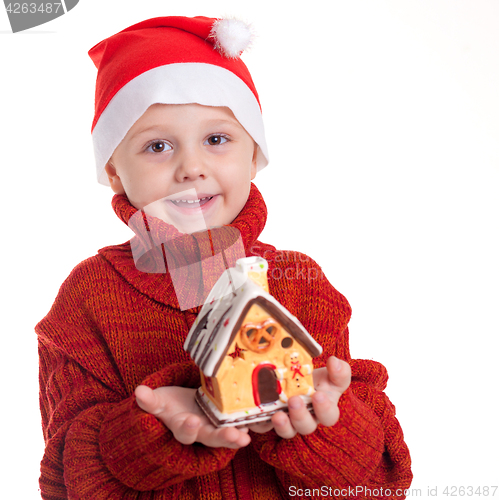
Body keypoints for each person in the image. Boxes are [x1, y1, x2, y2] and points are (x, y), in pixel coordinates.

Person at [36, 16, 413, 499]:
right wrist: (147, 434)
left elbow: (379, 482)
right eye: (158, 146)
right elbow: (64, 483)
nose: (191, 168)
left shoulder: (301, 283)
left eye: (217, 139)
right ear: (113, 170)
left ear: (254, 153)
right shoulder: (86, 297)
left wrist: (325, 429)